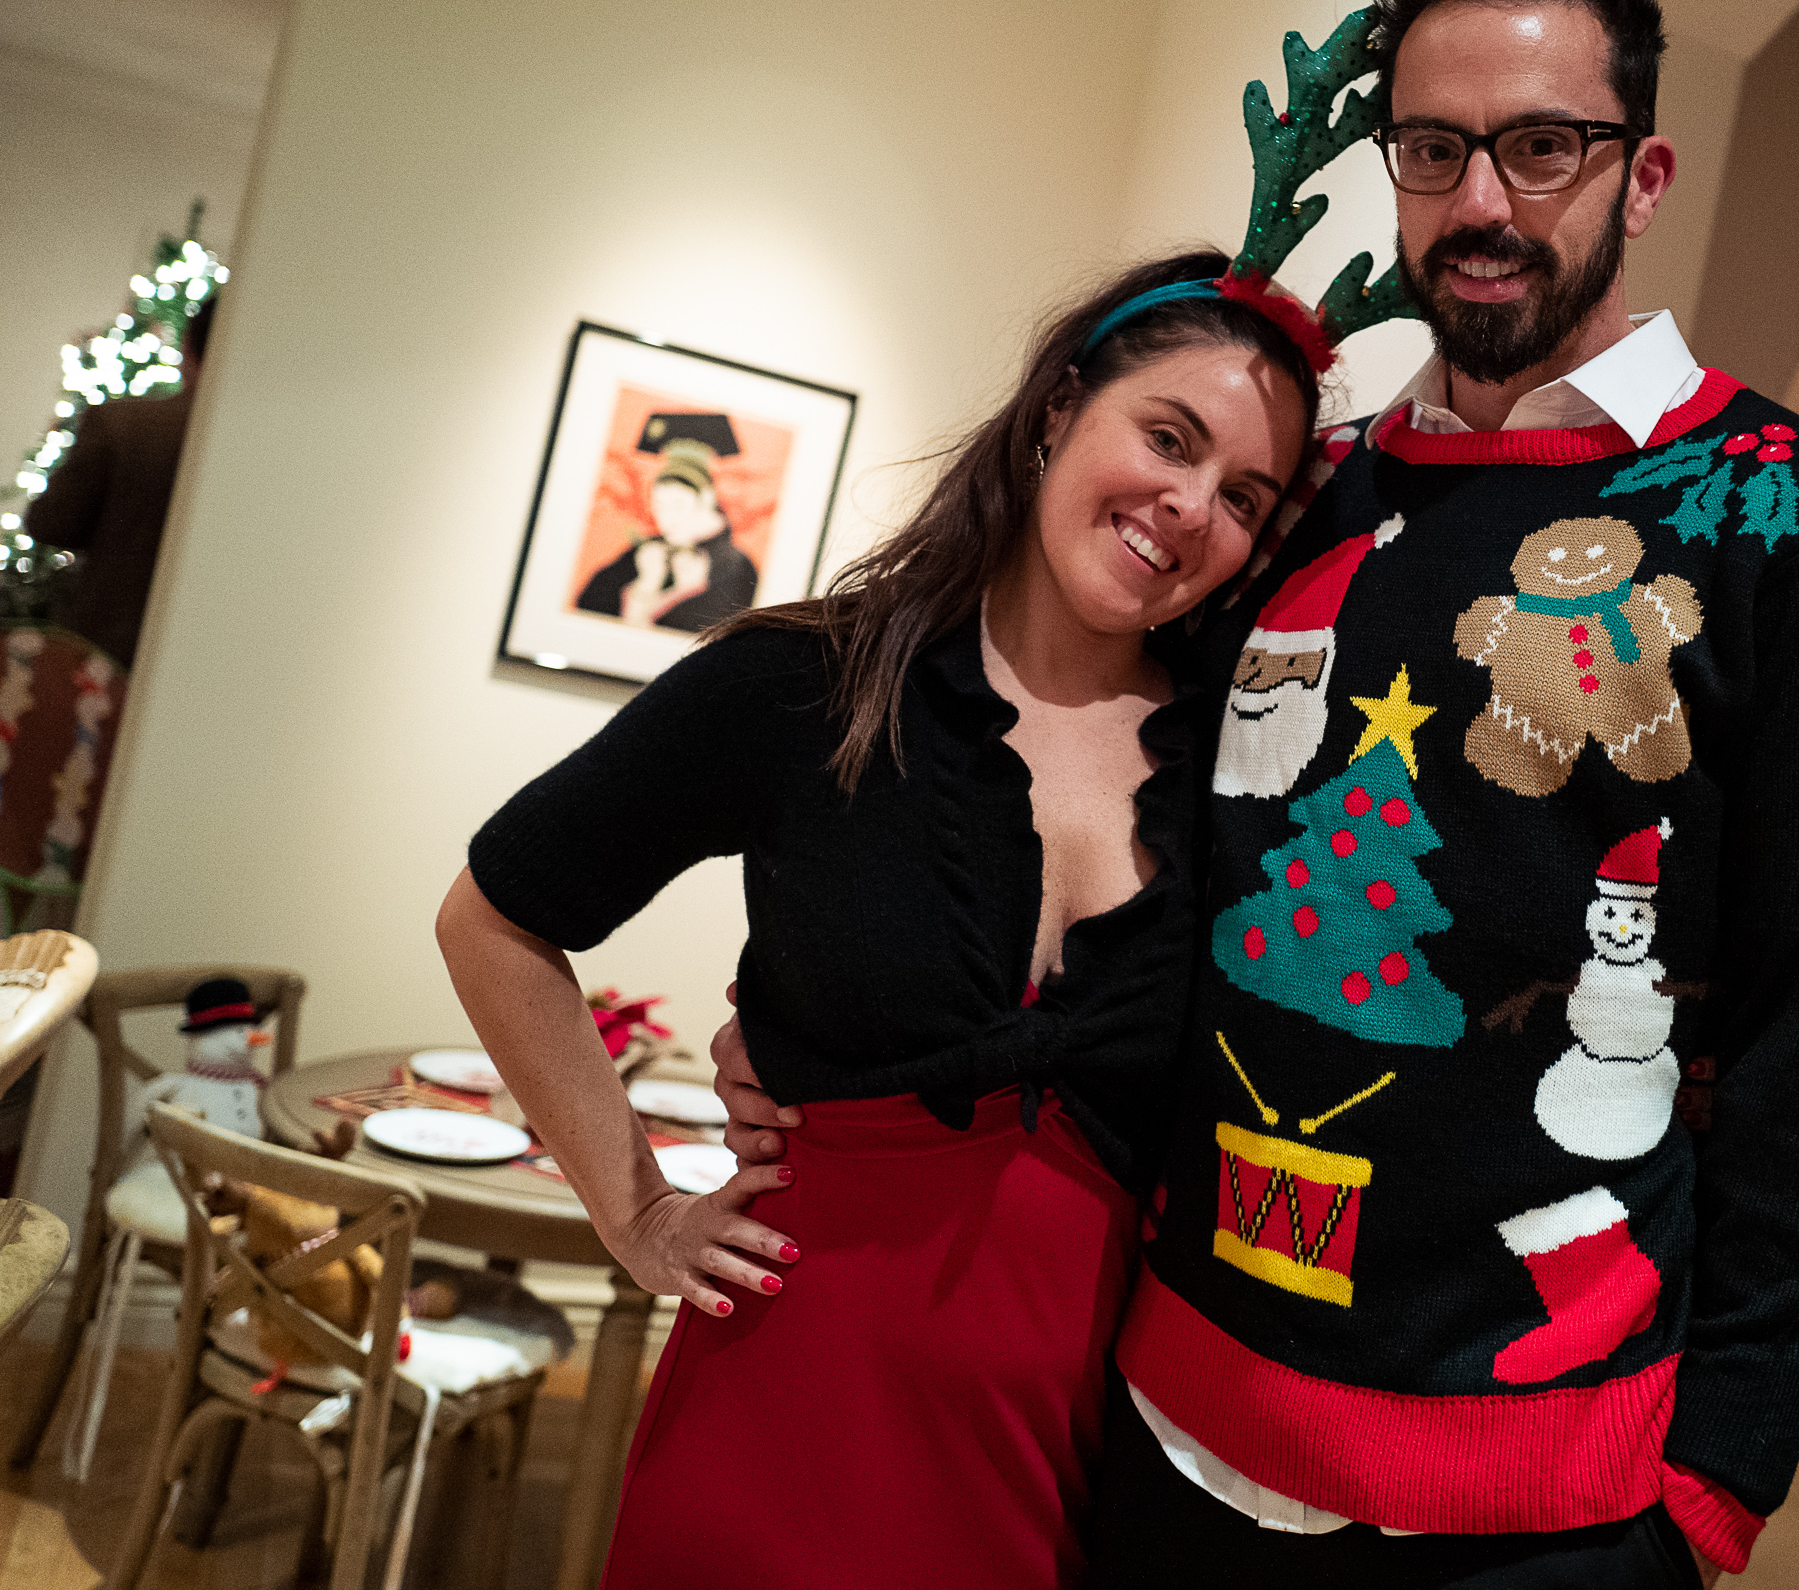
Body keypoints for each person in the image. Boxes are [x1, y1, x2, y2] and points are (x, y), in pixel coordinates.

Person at [720, 0, 1799, 1589]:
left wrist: (1721, 1473)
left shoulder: (1787, 512)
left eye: (1544, 148)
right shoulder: (1307, 495)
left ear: (1643, 177)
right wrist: (838, 1004)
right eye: (1434, 150)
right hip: (1174, 1414)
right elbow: (1092, 770)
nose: (1483, 201)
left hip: (1545, 1493)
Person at [436, 248, 1316, 1589]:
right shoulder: (806, 684)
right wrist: (638, 1210)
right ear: (1058, 408)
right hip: (770, 1434)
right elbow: (495, 918)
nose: (1191, 506)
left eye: (1243, 494)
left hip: (1060, 1475)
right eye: (1169, 436)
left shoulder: (1243, 777)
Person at [24, 295, 211, 667]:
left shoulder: (122, 424)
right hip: (211, 655)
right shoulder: (275, 446)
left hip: (110, 650)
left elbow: (50, 523)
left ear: (187, 348)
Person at [571, 410, 763, 631]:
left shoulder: (737, 568)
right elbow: (587, 609)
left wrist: (681, 593)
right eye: (660, 505)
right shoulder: (644, 553)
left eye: (678, 505)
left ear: (706, 498)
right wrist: (646, 584)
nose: (666, 518)